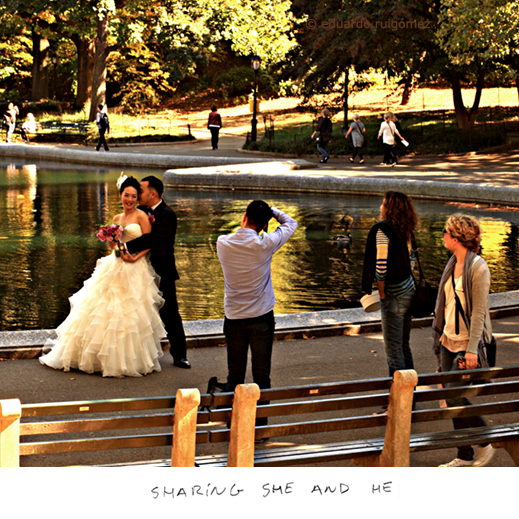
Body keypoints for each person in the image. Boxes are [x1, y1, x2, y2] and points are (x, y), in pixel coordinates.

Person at [40, 175, 166, 377]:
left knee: (129, 313)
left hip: (135, 267)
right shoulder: (116, 218)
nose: (130, 200)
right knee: (102, 310)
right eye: (127, 195)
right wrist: (111, 239)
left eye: (134, 196)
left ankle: (127, 360)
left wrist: (135, 258)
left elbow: (150, 243)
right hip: (115, 263)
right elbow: (113, 246)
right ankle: (95, 357)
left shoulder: (142, 216)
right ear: (120, 196)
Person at [217, 200, 297, 424]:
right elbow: (291, 223)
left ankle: (233, 422)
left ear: (244, 216)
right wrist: (272, 212)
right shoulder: (266, 243)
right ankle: (259, 426)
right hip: (261, 318)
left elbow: (238, 235)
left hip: (234, 318)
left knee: (235, 376)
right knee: (262, 376)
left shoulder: (222, 243)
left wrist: (258, 218)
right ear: (264, 225)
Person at [432, 214, 495, 467]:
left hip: (469, 344)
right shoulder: (452, 264)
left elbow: (479, 312)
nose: (443, 235)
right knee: (449, 397)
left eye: (446, 231)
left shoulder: (478, 266)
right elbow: (445, 305)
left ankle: (485, 442)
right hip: (448, 340)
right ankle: (464, 455)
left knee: (454, 395)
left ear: (457, 236)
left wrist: (471, 351)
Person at [121, 176, 190, 369]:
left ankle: (180, 355)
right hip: (137, 269)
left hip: (162, 271)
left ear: (153, 193)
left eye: (140, 191)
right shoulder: (139, 210)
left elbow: (153, 239)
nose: (137, 194)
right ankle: (134, 355)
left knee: (170, 314)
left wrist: (125, 245)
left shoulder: (167, 214)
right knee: (133, 311)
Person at [361, 191, 417, 380]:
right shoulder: (406, 229)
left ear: (389, 208)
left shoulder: (382, 230)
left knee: (393, 351)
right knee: (403, 345)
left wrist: (382, 294)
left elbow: (381, 268)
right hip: (409, 290)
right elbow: (412, 262)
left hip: (393, 295)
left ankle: (399, 402)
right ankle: (411, 396)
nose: (380, 207)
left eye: (383, 203)